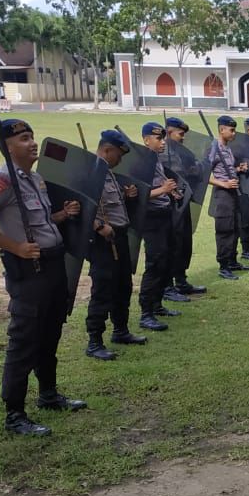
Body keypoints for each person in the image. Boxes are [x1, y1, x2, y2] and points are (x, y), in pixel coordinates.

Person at [0, 119, 86, 436]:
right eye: (23, 139)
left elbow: (41, 221)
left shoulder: (35, 179)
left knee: (50, 333)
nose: (32, 143)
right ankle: (15, 414)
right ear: (7, 147)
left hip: (53, 266)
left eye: (32, 137)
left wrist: (62, 215)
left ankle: (48, 394)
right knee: (24, 341)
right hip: (30, 272)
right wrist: (15, 247)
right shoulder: (1, 180)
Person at [84, 130, 146, 361]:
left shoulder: (108, 173)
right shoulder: (90, 172)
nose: (120, 160)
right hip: (102, 241)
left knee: (123, 286)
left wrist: (127, 195)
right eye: (118, 155)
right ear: (107, 150)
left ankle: (121, 330)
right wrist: (99, 226)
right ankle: (94, 342)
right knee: (103, 290)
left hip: (119, 237)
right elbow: (81, 207)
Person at [136, 123, 181, 332]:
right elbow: (139, 194)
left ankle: (157, 304)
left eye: (163, 138)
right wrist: (163, 189)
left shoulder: (155, 159)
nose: (163, 142)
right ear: (146, 140)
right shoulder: (140, 162)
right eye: (158, 139)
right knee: (154, 264)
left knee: (166, 261)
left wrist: (170, 191)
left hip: (165, 214)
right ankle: (146, 313)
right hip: (151, 218)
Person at [162, 116, 207, 299]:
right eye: (180, 134)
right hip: (168, 207)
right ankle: (167, 286)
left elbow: (193, 172)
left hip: (184, 202)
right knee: (171, 245)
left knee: (183, 243)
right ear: (169, 132)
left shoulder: (182, 152)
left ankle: (181, 280)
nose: (183, 138)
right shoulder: (162, 152)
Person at [205, 115, 249, 280]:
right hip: (223, 194)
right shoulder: (214, 148)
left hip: (233, 192)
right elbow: (204, 173)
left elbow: (226, 169)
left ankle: (232, 260)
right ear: (221, 129)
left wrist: (238, 169)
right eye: (231, 130)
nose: (234, 133)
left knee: (235, 227)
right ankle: (223, 265)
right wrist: (223, 184)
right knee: (225, 229)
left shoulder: (227, 148)